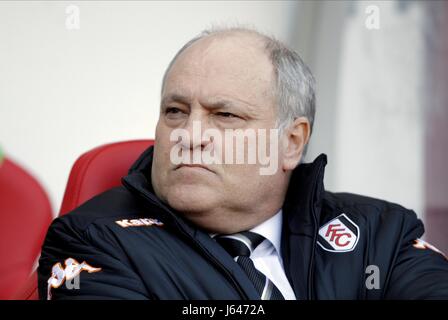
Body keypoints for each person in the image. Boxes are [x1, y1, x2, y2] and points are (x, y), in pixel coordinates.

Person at [38, 27, 448, 300]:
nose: (189, 136)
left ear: (291, 143)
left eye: (225, 115)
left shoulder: (380, 233)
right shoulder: (93, 240)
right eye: (175, 111)